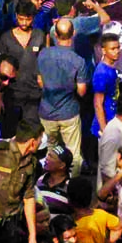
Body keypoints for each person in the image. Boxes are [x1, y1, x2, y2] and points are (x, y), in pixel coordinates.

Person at [37, 19, 88, 175]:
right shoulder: (78, 61)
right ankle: (71, 186)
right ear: (73, 34)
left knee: (50, 151)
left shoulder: (43, 54)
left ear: (55, 35)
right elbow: (82, 91)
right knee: (74, 154)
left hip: (46, 112)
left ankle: (49, 183)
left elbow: (40, 82)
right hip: (69, 113)